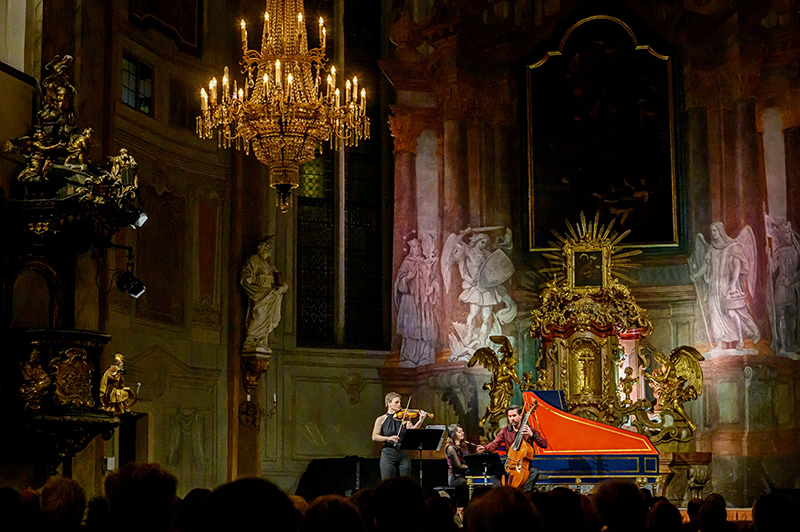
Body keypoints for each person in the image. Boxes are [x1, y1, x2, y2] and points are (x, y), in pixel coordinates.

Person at [690, 222, 759, 351]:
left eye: (715, 231)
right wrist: (696, 274)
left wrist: (733, 284)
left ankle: (741, 338)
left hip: (727, 285)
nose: (713, 234)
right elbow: (706, 265)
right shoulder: (712, 248)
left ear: (720, 231)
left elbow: (737, 266)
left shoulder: (732, 247)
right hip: (713, 287)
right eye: (712, 231)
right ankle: (720, 343)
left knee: (732, 313)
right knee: (715, 314)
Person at [475, 404, 548, 491]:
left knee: (534, 472)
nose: (512, 419)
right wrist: (485, 448)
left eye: (514, 416)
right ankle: (501, 493)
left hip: (524, 465)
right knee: (493, 473)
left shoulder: (529, 429)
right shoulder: (505, 430)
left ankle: (524, 495)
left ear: (520, 416)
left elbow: (544, 444)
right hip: (509, 463)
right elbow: (494, 444)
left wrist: (532, 436)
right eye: (509, 416)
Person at [240, 237, 288, 353]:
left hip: (270, 294)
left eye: (270, 249)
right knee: (258, 315)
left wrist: (282, 286)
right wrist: (248, 279)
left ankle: (262, 341)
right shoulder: (253, 260)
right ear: (261, 249)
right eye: (267, 248)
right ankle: (251, 340)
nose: (269, 251)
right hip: (259, 293)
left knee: (270, 318)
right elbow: (246, 273)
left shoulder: (270, 265)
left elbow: (277, 280)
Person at [372, 392, 429, 479]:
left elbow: (412, 431)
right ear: (389, 404)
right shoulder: (381, 419)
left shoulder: (405, 417)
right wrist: (388, 438)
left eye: (400, 402)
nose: (399, 405)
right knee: (388, 482)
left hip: (403, 453)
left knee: (406, 481)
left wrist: (420, 421)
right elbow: (374, 436)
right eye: (396, 402)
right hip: (388, 454)